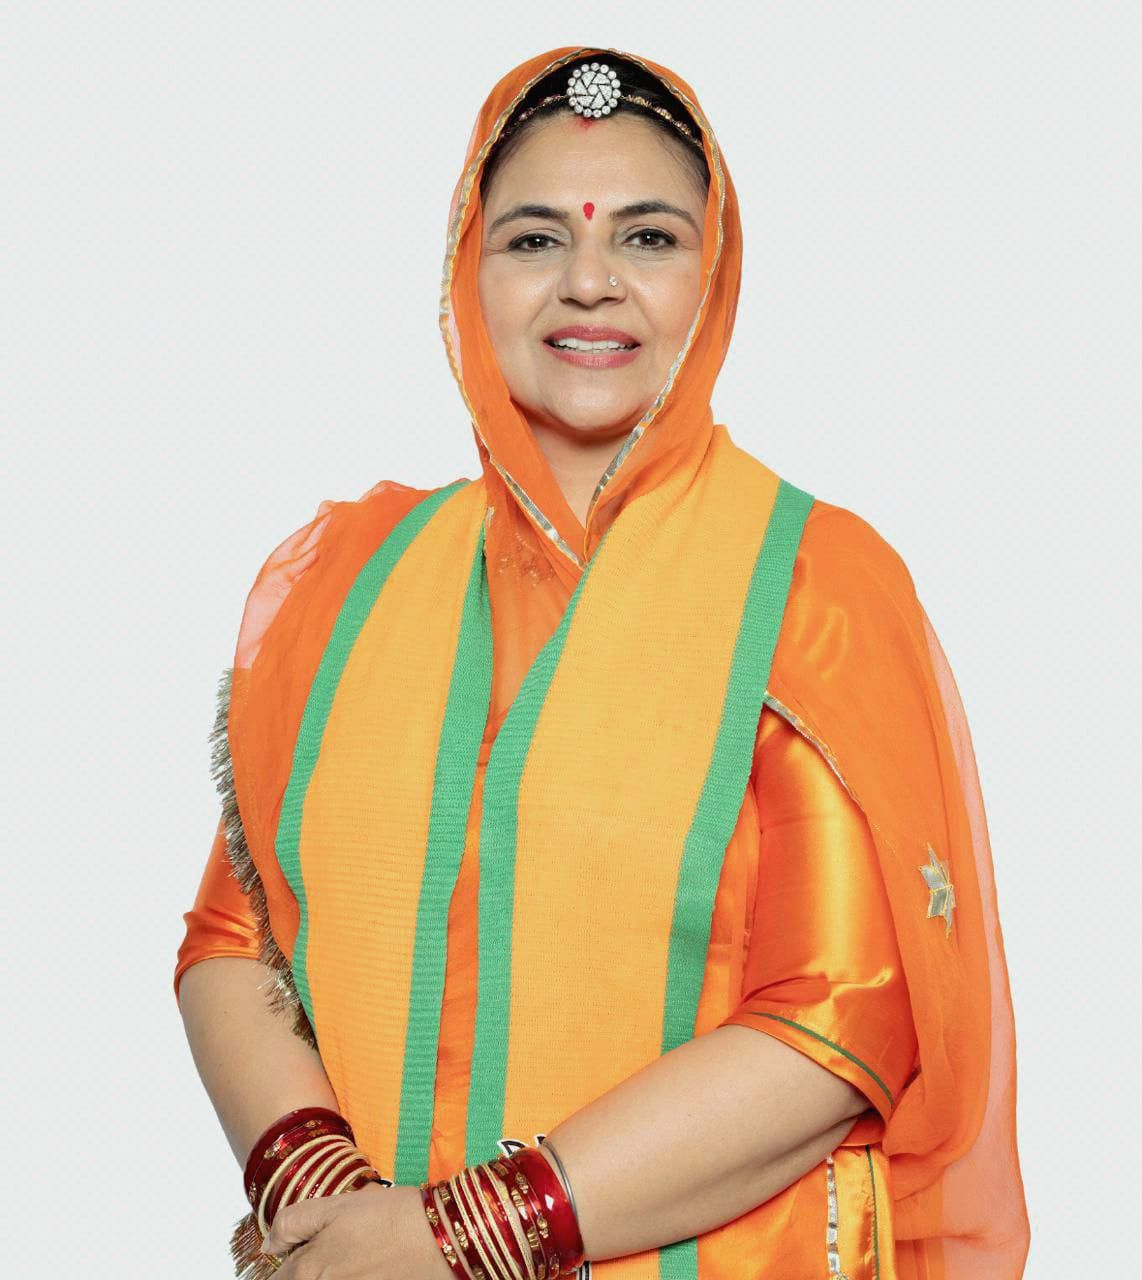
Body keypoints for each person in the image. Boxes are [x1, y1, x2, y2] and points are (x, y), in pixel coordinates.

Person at [174, 46, 1030, 1280]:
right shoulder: (350, 581)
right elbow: (232, 938)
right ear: (467, 271)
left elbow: (837, 1015)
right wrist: (336, 1215)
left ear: (711, 272)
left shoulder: (806, 586)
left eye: (646, 238)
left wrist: (452, 1238)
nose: (588, 281)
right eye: (533, 239)